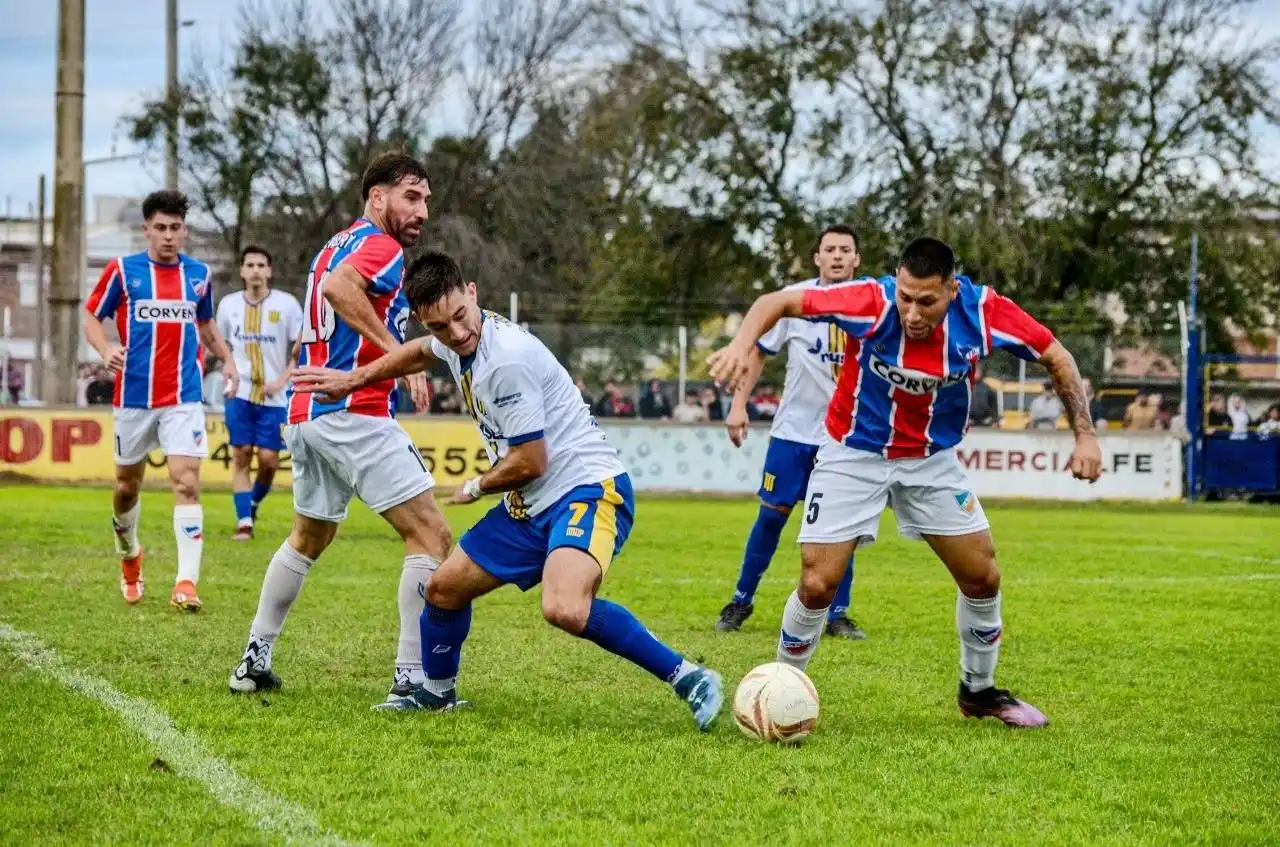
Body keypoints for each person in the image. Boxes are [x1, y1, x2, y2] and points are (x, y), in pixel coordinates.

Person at [293, 251, 725, 730]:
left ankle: (690, 677)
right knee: (443, 590)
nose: (457, 333)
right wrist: (354, 379)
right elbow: (418, 351)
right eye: (439, 325)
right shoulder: (452, 341)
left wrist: (477, 485)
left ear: (472, 292)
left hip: (588, 489)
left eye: (460, 316)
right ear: (422, 319)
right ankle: (437, 694)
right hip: (532, 501)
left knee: (563, 607)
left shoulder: (506, 362)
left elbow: (530, 460)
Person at [708, 236, 1103, 728]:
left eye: (927, 301)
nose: (913, 313)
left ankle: (978, 692)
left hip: (931, 462)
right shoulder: (870, 300)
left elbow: (1056, 355)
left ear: (952, 290)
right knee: (817, 583)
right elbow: (777, 301)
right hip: (854, 454)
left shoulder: (984, 312)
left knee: (983, 577)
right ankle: (778, 689)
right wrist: (741, 343)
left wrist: (1084, 437)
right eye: (906, 297)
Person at [227, 152, 451, 709]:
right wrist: (399, 354)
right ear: (378, 198)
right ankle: (410, 678)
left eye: (425, 199)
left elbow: (334, 288)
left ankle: (255, 659)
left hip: (307, 413)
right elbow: (339, 291)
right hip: (353, 413)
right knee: (431, 537)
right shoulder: (381, 246)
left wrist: (395, 364)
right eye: (411, 197)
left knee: (311, 536)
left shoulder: (337, 242)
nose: (421, 209)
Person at [82, 189, 239, 611]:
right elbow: (91, 316)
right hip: (133, 395)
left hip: (182, 397)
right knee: (126, 486)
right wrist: (104, 349)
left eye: (176, 228)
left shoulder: (199, 274)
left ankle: (186, 582)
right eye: (161, 228)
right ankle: (129, 553)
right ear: (146, 230)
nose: (168, 236)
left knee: (187, 482)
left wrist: (227, 361)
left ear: (184, 231)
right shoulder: (123, 270)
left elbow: (205, 324)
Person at [715, 224, 864, 639]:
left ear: (857, 260)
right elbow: (758, 354)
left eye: (845, 250)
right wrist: (739, 405)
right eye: (829, 249)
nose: (837, 256)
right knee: (770, 518)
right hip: (793, 433)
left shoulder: (872, 304)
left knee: (841, 527)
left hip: (844, 438)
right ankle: (740, 601)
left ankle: (837, 614)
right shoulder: (793, 302)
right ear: (817, 258)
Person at [216, 246, 304, 540]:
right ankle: (244, 522)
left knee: (268, 461)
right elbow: (222, 346)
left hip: (276, 397)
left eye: (261, 265)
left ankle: (251, 503)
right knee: (241, 454)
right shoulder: (228, 305)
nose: (255, 270)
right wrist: (227, 367)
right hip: (239, 394)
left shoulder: (288, 305)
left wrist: (282, 380)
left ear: (269, 271)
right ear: (241, 271)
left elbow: (300, 350)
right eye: (250, 265)